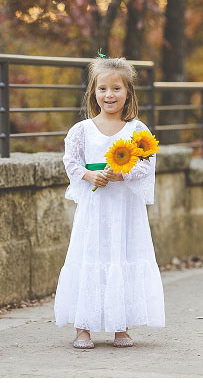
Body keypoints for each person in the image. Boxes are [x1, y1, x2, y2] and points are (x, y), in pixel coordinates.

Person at [54, 57, 165, 346]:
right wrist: (89, 177)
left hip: (124, 208)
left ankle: (121, 327)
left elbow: (146, 164)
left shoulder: (137, 129)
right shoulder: (82, 130)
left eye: (116, 88)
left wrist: (121, 174)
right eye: (102, 89)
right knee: (91, 254)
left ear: (128, 93)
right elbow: (71, 162)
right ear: (94, 92)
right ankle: (83, 327)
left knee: (121, 253)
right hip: (95, 208)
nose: (109, 95)